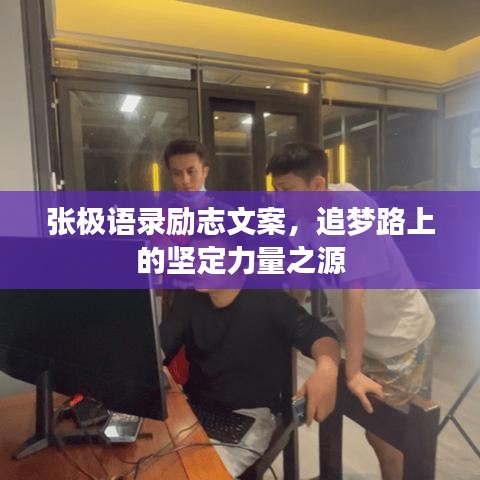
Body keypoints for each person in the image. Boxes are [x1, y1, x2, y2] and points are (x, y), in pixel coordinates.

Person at [266, 141, 435, 480]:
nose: (279, 199)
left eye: (286, 190)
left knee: (387, 435)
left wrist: (353, 370)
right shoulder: (300, 216)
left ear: (317, 185)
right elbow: (300, 270)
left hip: (400, 336)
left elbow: (355, 296)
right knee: (377, 431)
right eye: (275, 190)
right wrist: (288, 320)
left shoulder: (355, 211)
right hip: (369, 336)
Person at [160, 285, 340, 478]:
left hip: (249, 415)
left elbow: (321, 336)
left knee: (197, 472)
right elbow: (161, 347)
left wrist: (327, 369)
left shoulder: (269, 299)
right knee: (154, 461)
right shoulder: (189, 299)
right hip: (194, 409)